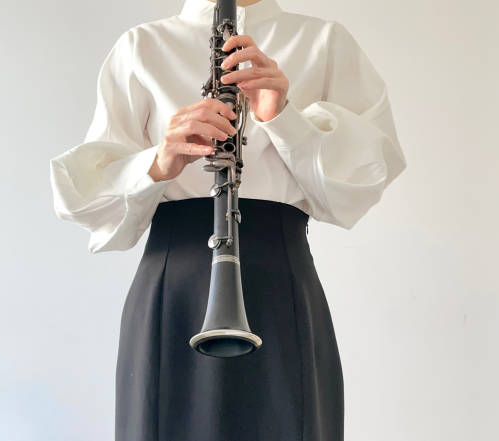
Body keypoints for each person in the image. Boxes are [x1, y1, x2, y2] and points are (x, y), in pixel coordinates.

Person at [49, 0, 407, 440]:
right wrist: (161, 162)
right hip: (173, 291)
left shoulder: (324, 42)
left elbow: (362, 181)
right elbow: (88, 203)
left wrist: (283, 117)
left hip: (281, 286)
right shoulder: (141, 46)